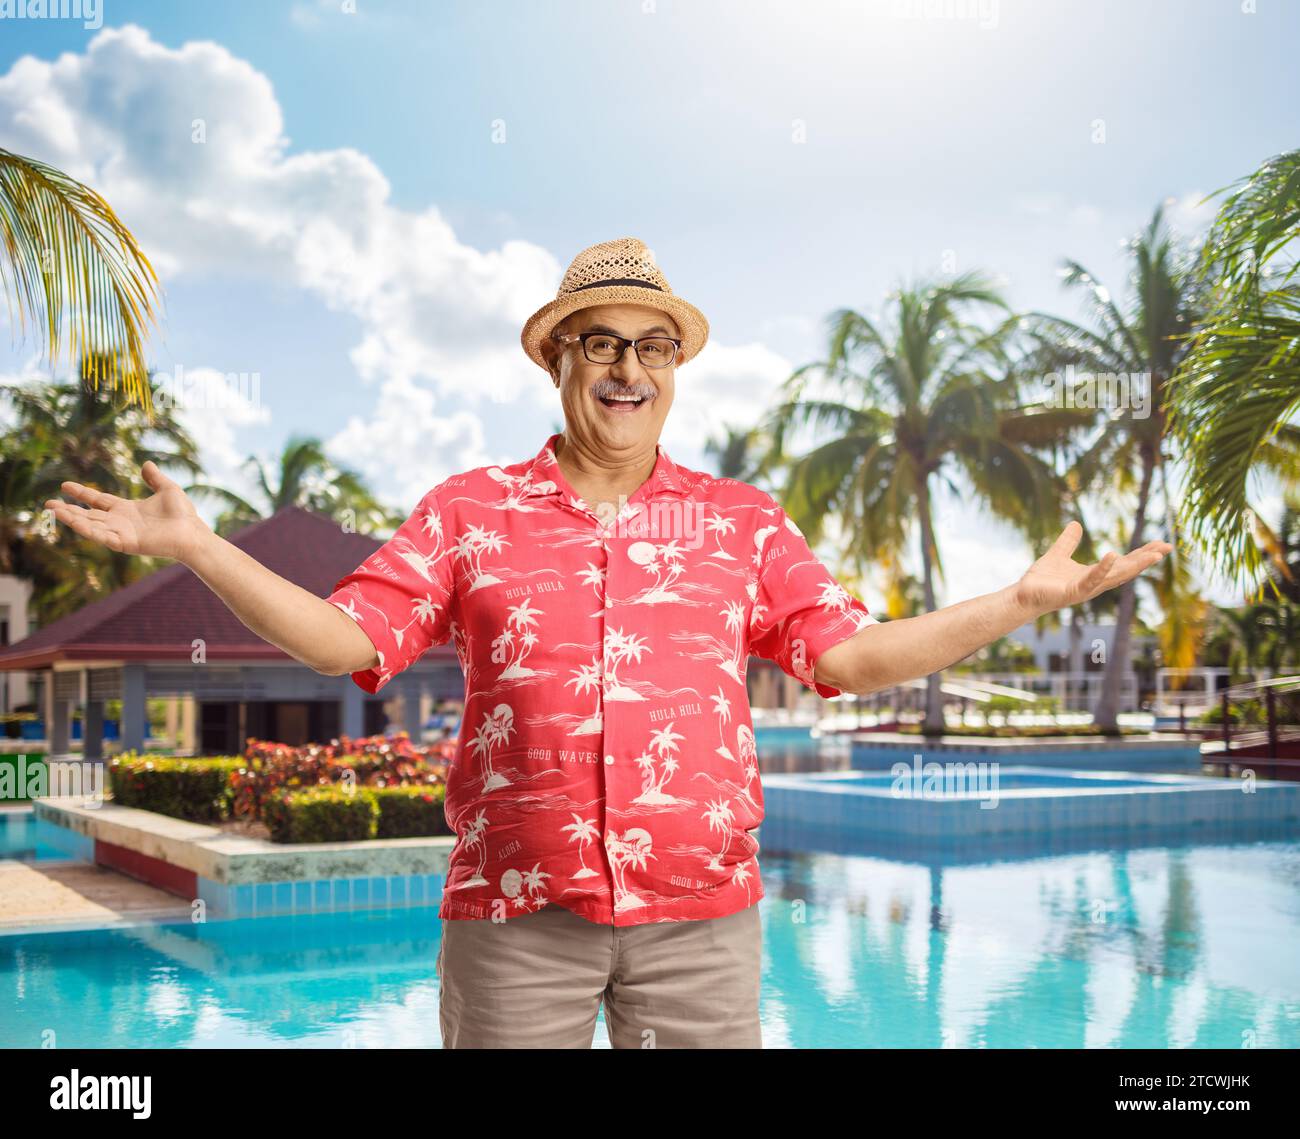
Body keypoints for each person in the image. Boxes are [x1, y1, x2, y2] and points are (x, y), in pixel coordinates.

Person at [44, 236, 1173, 1049]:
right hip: (513, 917)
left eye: (652, 348)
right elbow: (346, 640)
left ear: (674, 369)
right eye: (600, 344)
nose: (628, 368)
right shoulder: (468, 509)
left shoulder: (741, 520)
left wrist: (1021, 599)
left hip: (703, 917)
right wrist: (200, 546)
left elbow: (851, 657)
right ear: (557, 361)